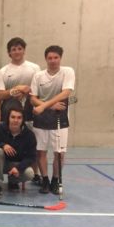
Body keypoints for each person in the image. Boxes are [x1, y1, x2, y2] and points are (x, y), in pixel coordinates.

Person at [30, 45, 75, 195]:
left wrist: (44, 106)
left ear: (60, 58)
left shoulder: (67, 72)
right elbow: (33, 98)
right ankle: (45, 180)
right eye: (50, 58)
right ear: (46, 59)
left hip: (59, 118)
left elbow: (66, 93)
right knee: (41, 151)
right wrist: (49, 106)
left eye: (56, 57)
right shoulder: (38, 76)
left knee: (59, 153)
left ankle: (56, 180)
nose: (53, 60)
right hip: (41, 119)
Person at [0, 37, 41, 184]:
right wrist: (17, 89)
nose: (17, 52)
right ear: (9, 52)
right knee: (10, 145)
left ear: (24, 50)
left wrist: (27, 90)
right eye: (13, 49)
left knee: (32, 143)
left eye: (19, 48)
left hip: (29, 112)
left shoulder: (34, 68)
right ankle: (12, 176)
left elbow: (38, 90)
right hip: (9, 112)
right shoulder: (3, 71)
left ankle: (35, 174)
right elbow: (0, 95)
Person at [0, 107, 37, 198]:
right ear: (8, 118)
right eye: (13, 117)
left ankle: (13, 181)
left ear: (23, 119)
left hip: (15, 165)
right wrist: (2, 145)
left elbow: (31, 157)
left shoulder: (29, 135)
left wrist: (18, 168)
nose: (16, 120)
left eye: (19, 117)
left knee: (30, 173)